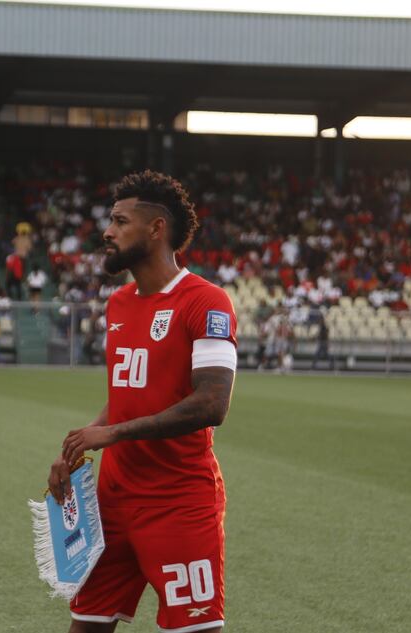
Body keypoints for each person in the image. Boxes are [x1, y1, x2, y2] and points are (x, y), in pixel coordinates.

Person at [48, 170, 236, 633]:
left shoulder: (206, 302)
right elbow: (126, 397)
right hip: (112, 502)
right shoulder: (120, 303)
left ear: (156, 229)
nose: (107, 232)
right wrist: (79, 446)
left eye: (120, 221)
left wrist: (111, 434)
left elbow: (212, 403)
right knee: (86, 625)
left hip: (178, 504)